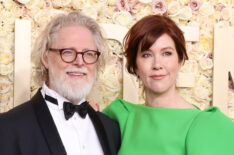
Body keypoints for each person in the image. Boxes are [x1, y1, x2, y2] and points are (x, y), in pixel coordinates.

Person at [103, 15, 234, 155]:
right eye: (146, 55)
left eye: (166, 53)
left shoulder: (208, 125)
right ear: (134, 65)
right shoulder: (122, 116)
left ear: (180, 60)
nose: (157, 65)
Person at [0, 12, 120, 155]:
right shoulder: (7, 128)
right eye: (68, 52)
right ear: (46, 59)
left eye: (88, 53)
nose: (80, 62)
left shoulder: (111, 129)